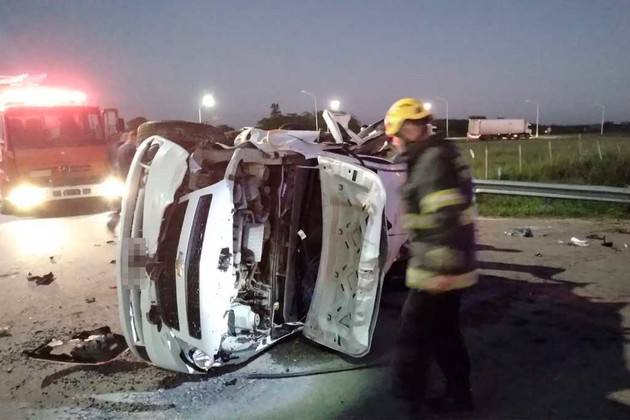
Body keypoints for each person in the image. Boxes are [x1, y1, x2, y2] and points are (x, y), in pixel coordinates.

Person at [384, 98, 477, 413]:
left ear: (409, 130)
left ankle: (408, 404)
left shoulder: (432, 160)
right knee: (444, 333)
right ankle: (459, 395)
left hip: (438, 268)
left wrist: (441, 271)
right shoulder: (436, 153)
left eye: (394, 135)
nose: (393, 142)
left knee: (412, 338)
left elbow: (445, 217)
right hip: (448, 264)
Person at [107, 130, 137, 234]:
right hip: (132, 180)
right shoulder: (131, 149)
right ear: (133, 137)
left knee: (125, 205)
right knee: (133, 207)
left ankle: (113, 222)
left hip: (123, 179)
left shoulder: (121, 148)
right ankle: (131, 232)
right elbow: (134, 165)